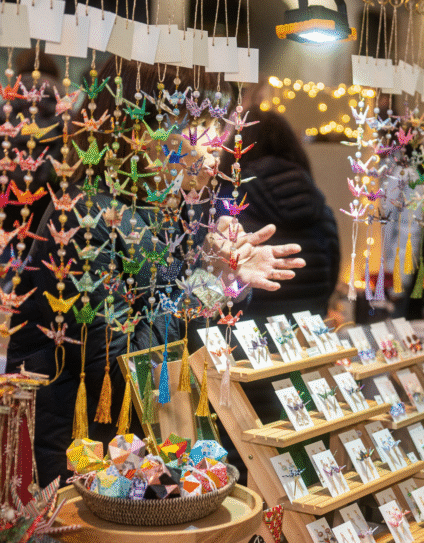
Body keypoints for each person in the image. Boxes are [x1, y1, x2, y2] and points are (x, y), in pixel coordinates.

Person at [5, 59, 305, 487]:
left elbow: (186, 333)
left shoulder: (170, 213)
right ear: (139, 134)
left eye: (216, 129)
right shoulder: (88, 218)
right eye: (196, 128)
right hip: (88, 473)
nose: (212, 147)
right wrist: (209, 284)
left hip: (146, 457)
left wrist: (227, 278)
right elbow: (120, 364)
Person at [218, 108, 340, 323]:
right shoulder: (319, 204)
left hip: (245, 342)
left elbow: (218, 287)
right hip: (309, 339)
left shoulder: (227, 201)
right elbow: (331, 278)